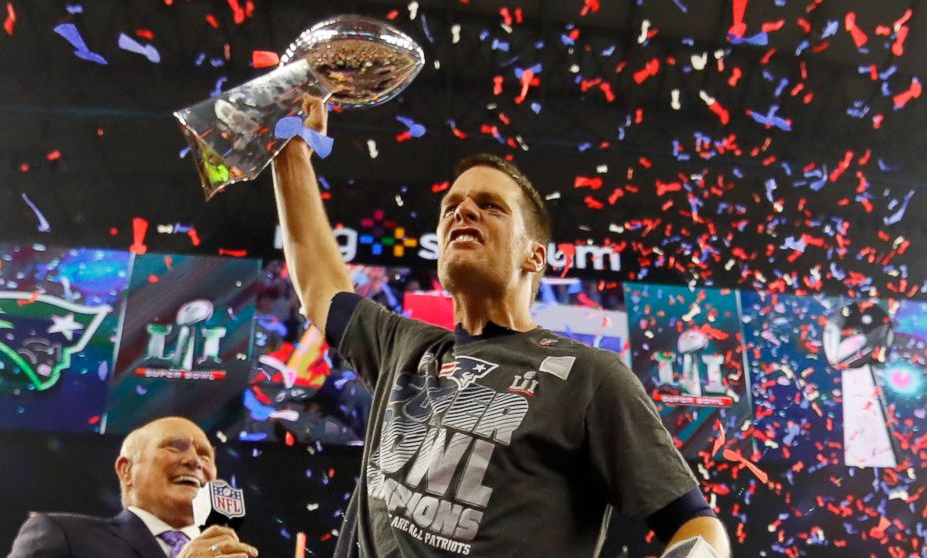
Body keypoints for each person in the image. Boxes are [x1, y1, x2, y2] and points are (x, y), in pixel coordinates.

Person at [271, 95, 732, 557]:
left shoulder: (589, 378)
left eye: (490, 206)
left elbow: (695, 524)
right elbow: (319, 286)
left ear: (535, 255)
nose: (462, 211)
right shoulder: (403, 347)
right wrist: (292, 153)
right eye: (451, 205)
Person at [8, 417, 258, 558]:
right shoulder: (64, 534)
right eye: (174, 446)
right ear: (126, 470)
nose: (194, 461)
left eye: (205, 456)